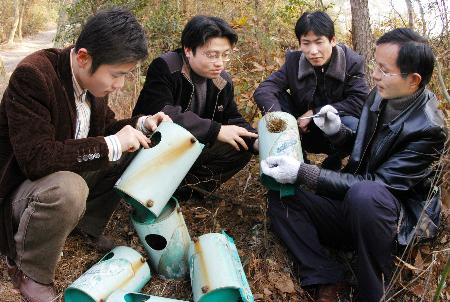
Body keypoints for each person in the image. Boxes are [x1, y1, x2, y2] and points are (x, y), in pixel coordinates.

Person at [261, 28, 447, 301]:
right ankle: (325, 275)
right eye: (376, 66)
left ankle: (373, 291)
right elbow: (366, 151)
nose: (374, 75)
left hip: (392, 221)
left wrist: (304, 172)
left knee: (365, 196)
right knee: (282, 195)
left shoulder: (429, 129)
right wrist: (338, 133)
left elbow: (379, 185)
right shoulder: (379, 96)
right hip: (354, 207)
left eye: (384, 70)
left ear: (413, 80)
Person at [0, 8, 171, 302]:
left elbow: (105, 131)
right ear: (83, 58)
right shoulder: (34, 76)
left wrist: (140, 124)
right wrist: (112, 143)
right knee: (69, 188)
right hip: (17, 191)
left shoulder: (89, 83)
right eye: (116, 75)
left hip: (51, 179)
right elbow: (36, 158)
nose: (119, 85)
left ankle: (84, 227)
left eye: (125, 76)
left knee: (134, 147)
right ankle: (30, 272)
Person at [133, 15, 258, 198]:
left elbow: (231, 117)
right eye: (212, 55)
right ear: (189, 50)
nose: (220, 63)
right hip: (156, 145)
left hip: (193, 146)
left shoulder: (222, 80)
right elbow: (161, 112)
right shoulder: (166, 67)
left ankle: (186, 192)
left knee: (240, 146)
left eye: (225, 55)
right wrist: (214, 130)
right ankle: (148, 188)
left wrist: (255, 140)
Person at [254, 11, 368, 170]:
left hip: (337, 131)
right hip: (304, 130)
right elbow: (264, 90)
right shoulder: (294, 61)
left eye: (319, 42)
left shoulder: (351, 62)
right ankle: (298, 163)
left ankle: (338, 164)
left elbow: (359, 101)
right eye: (306, 43)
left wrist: (315, 113)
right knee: (275, 95)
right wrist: (282, 122)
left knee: (357, 124)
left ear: (332, 40)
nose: (313, 51)